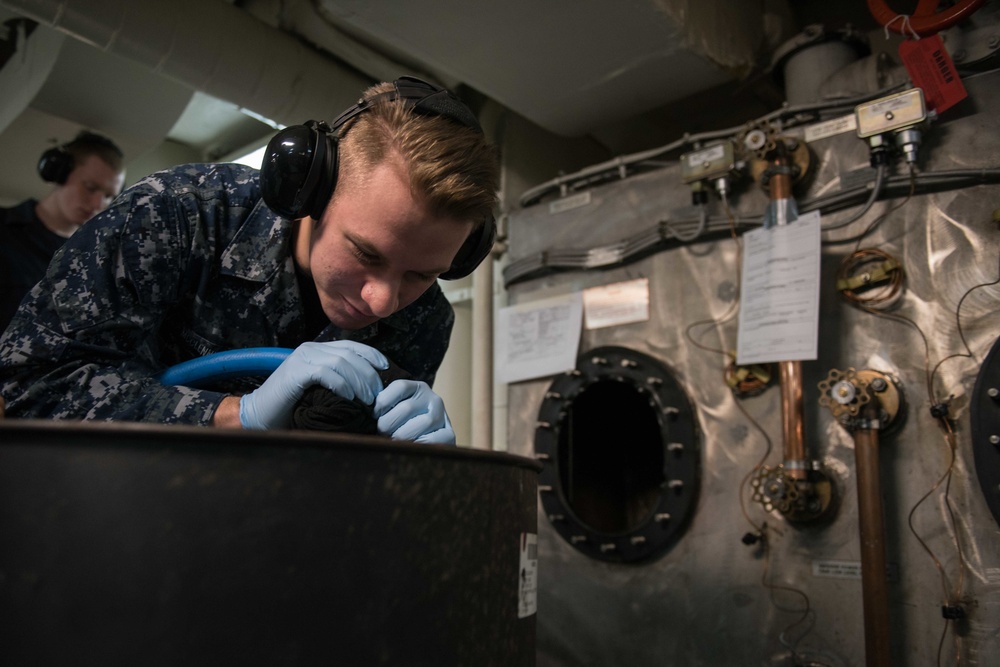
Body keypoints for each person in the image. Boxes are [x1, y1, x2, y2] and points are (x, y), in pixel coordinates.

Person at [0, 76, 500, 445]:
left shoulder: (425, 319)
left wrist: (412, 460)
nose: (385, 300)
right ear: (310, 192)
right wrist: (237, 414)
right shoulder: (176, 215)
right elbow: (33, 387)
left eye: (421, 274)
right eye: (366, 253)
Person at [0, 131, 125, 332]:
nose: (98, 204)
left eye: (108, 196)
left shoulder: (99, 260)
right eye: (91, 187)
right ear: (58, 172)